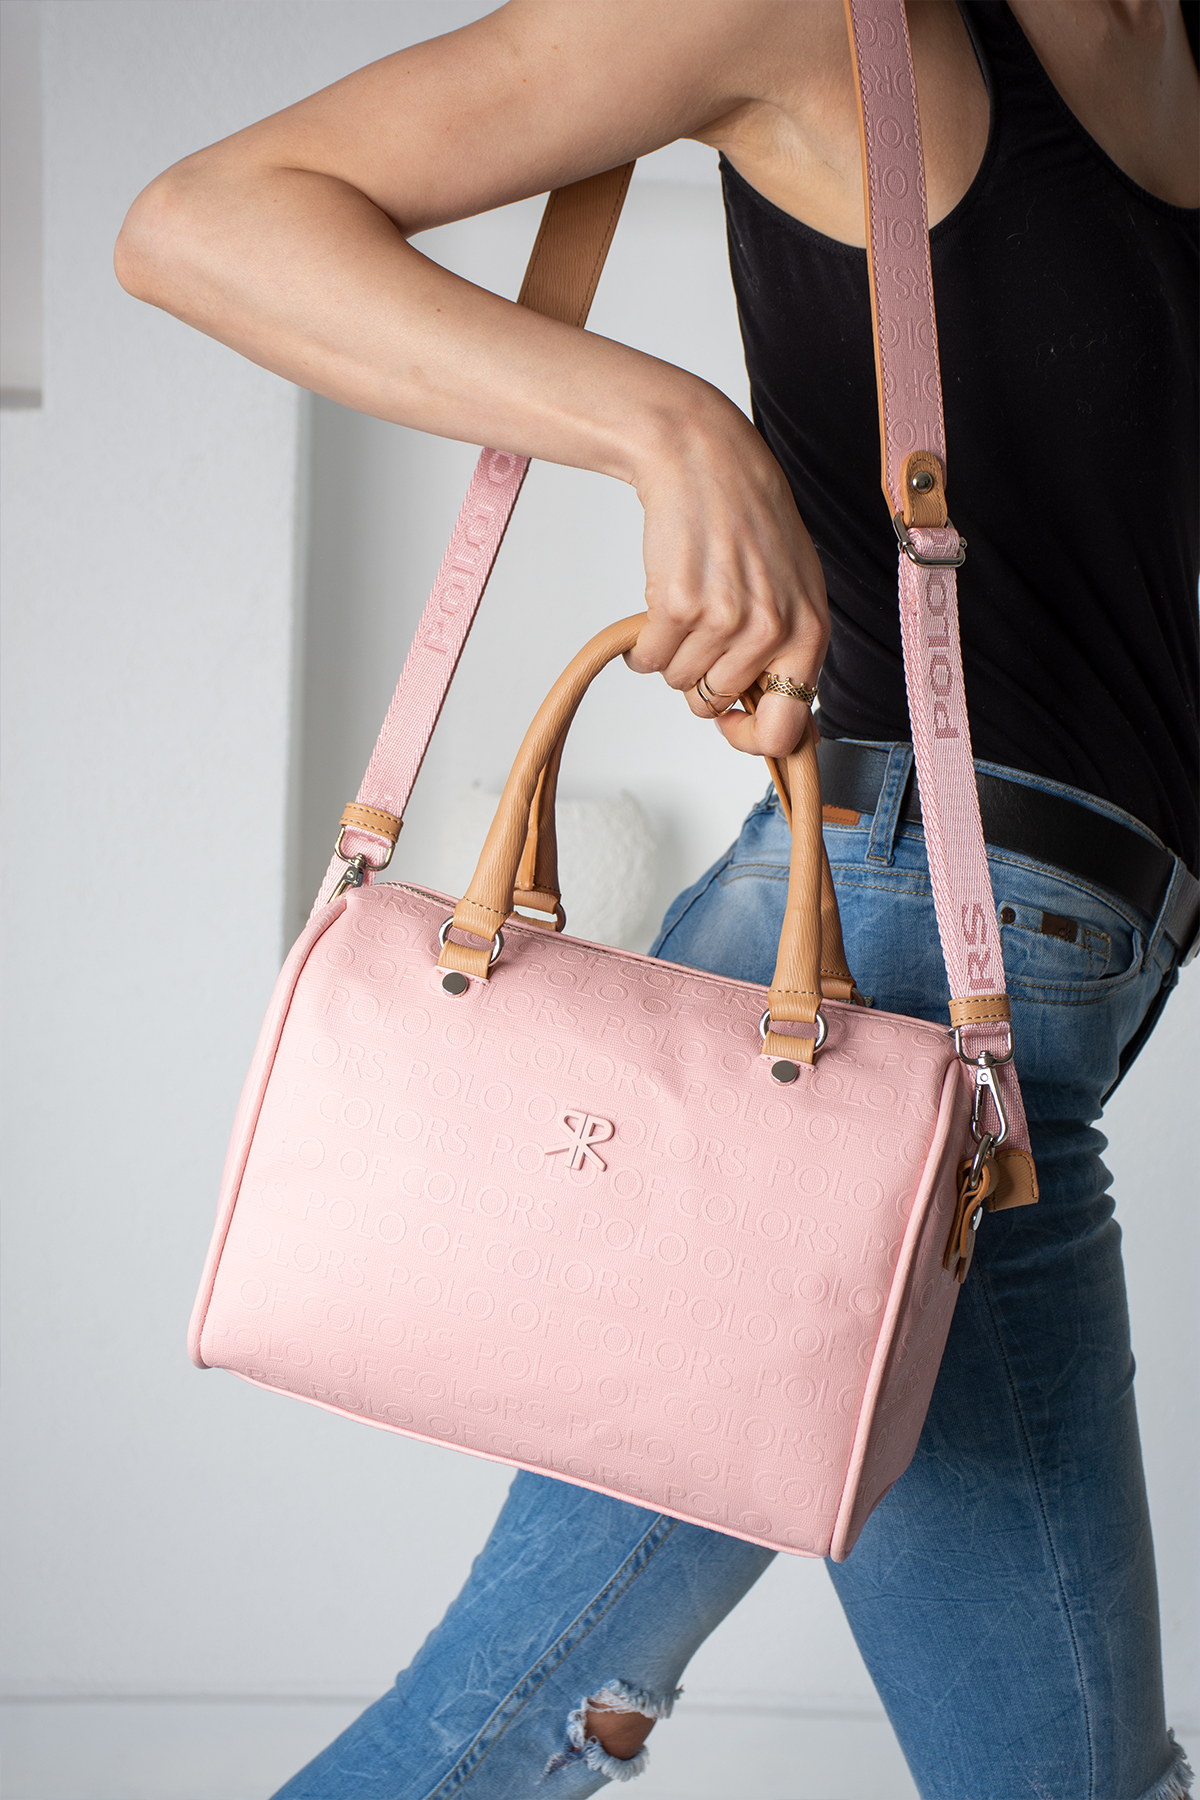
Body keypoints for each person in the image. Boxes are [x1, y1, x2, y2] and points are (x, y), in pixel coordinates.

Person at [114, 2, 1198, 1793]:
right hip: (879, 1004)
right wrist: (667, 423)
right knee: (506, 1724)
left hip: (1022, 1017)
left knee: (534, 1721)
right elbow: (204, 221)